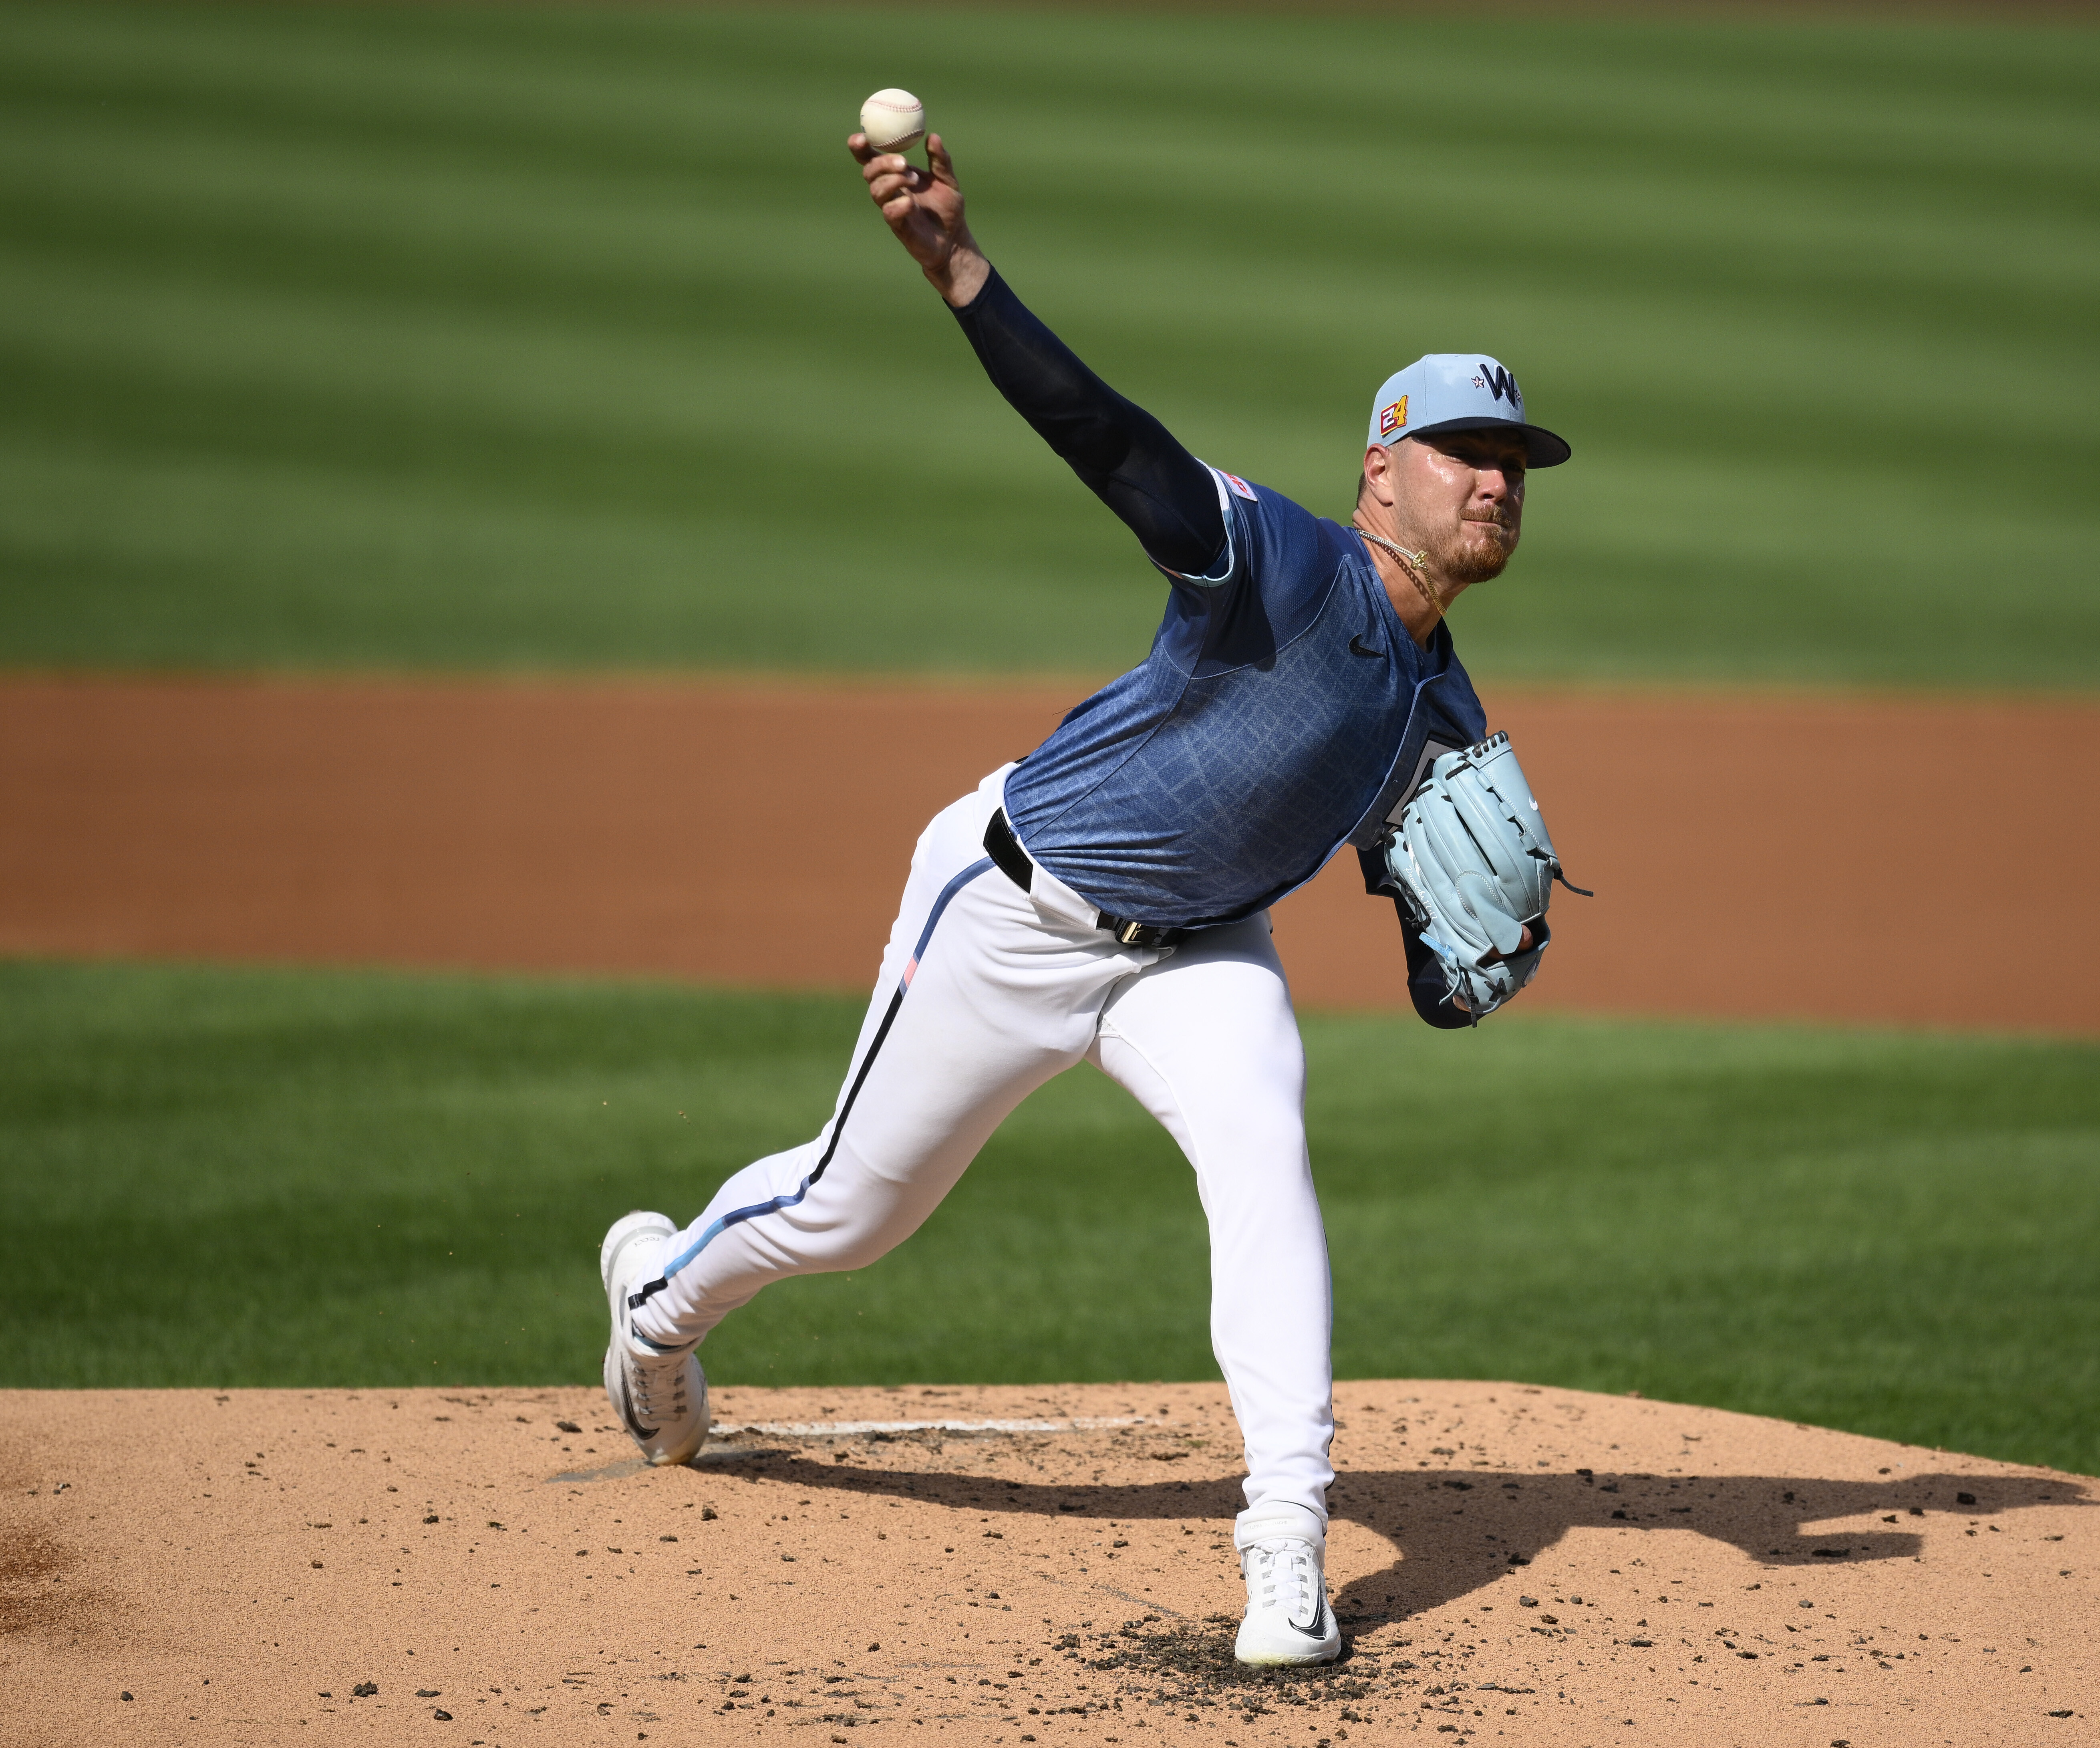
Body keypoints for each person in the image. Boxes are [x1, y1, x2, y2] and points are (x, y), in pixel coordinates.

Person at [597, 125, 1572, 1667]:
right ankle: (655, 1304)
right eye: (1467, 455)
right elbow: (1108, 440)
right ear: (1382, 470)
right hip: (1009, 907)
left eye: (1514, 466)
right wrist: (959, 268)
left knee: (1264, 1146)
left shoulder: (1440, 705)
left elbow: (1423, 931)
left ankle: (1284, 1546)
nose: (1496, 485)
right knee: (853, 1212)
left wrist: (1455, 968)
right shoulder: (1275, 557)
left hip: (1197, 958)